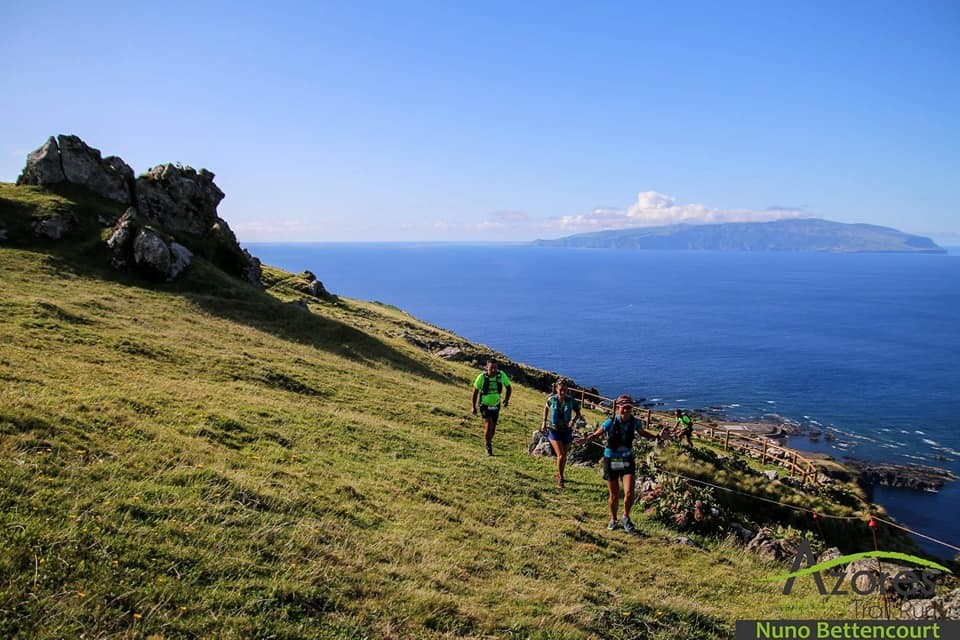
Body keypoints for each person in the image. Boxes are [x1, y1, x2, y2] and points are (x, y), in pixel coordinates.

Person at [575, 394, 657, 532]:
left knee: (629, 493)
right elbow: (596, 434)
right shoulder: (609, 423)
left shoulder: (635, 423)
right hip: (611, 460)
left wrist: (658, 437)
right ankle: (613, 518)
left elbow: (643, 433)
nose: (626, 410)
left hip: (627, 460)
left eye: (629, 408)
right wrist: (586, 440)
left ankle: (626, 516)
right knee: (613, 495)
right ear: (618, 408)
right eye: (623, 408)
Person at [541, 378, 583, 488]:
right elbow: (546, 408)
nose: (563, 392)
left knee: (564, 456)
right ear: (556, 389)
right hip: (554, 431)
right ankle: (560, 479)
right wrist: (544, 422)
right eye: (560, 390)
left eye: (565, 390)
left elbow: (578, 413)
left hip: (567, 431)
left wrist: (573, 421)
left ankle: (560, 474)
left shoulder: (571, 401)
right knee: (561, 455)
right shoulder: (551, 399)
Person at [471, 360, 511, 456]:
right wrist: (473, 406)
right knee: (488, 424)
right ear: (487, 368)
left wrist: (506, 400)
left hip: (496, 405)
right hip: (484, 404)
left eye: (495, 368)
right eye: (491, 368)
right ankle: (488, 446)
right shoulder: (481, 377)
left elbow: (509, 387)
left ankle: (489, 441)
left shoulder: (501, 375)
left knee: (493, 428)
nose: (493, 370)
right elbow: (475, 392)